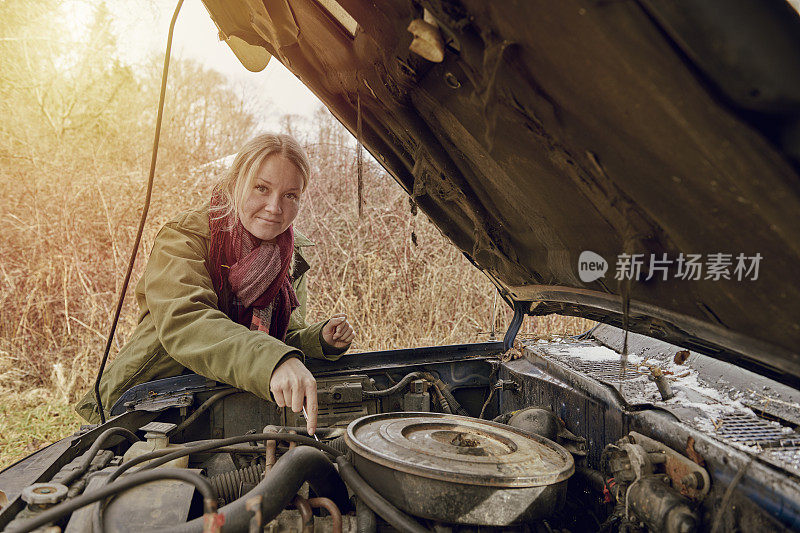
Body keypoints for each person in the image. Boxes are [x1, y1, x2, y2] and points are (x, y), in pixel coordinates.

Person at [75, 133, 354, 434]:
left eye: (290, 195)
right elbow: (188, 321)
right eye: (262, 188)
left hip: (233, 405)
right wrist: (272, 361)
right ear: (235, 183)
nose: (275, 207)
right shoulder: (183, 237)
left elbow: (280, 338)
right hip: (148, 407)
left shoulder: (289, 256)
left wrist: (318, 340)